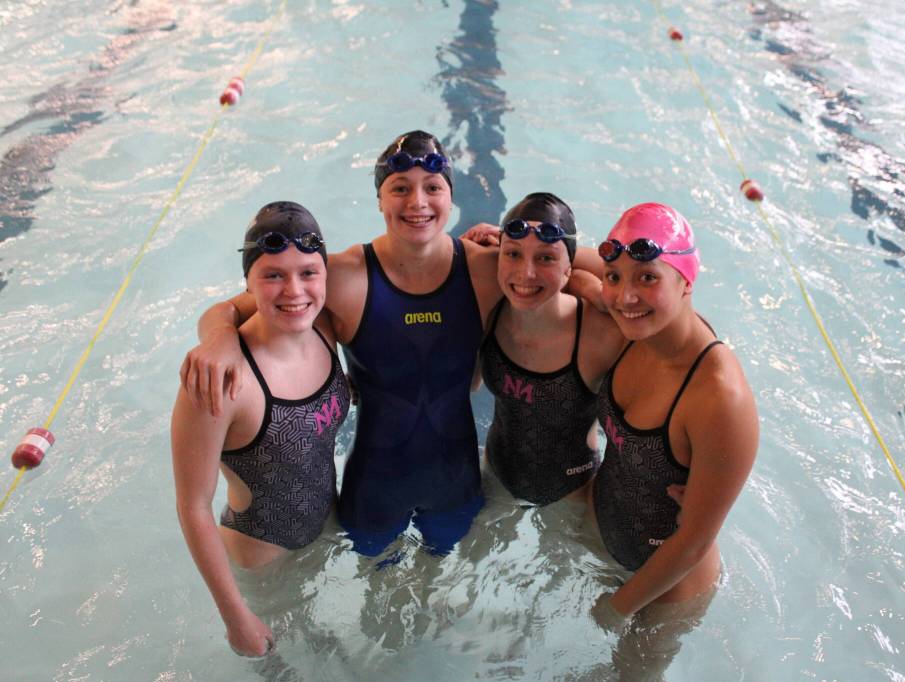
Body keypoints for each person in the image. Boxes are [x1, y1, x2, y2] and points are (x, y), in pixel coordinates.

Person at [180, 131, 509, 557]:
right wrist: (220, 339)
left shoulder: (488, 270)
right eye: (400, 188)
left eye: (432, 188)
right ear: (379, 199)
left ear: (450, 196)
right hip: (373, 489)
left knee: (443, 583)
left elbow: (560, 270)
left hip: (457, 483)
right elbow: (230, 308)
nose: (417, 203)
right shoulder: (342, 276)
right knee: (378, 591)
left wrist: (513, 243)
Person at [171, 201, 350, 656]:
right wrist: (235, 619)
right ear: (248, 283)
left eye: (308, 273)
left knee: (323, 644)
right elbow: (193, 507)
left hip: (326, 525)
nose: (294, 290)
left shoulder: (323, 325)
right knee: (279, 664)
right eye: (273, 275)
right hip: (264, 563)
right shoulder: (218, 380)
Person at [589, 203, 758, 676]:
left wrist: (617, 608)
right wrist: (509, 239)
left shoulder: (719, 398)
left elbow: (693, 543)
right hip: (608, 540)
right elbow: (570, 263)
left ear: (686, 281)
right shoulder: (635, 326)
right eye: (614, 277)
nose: (626, 296)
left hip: (667, 591)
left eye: (648, 278)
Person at [478, 192, 625, 505]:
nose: (526, 274)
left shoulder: (601, 334)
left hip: (572, 493)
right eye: (513, 254)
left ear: (569, 267)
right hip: (496, 473)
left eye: (546, 258)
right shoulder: (488, 307)